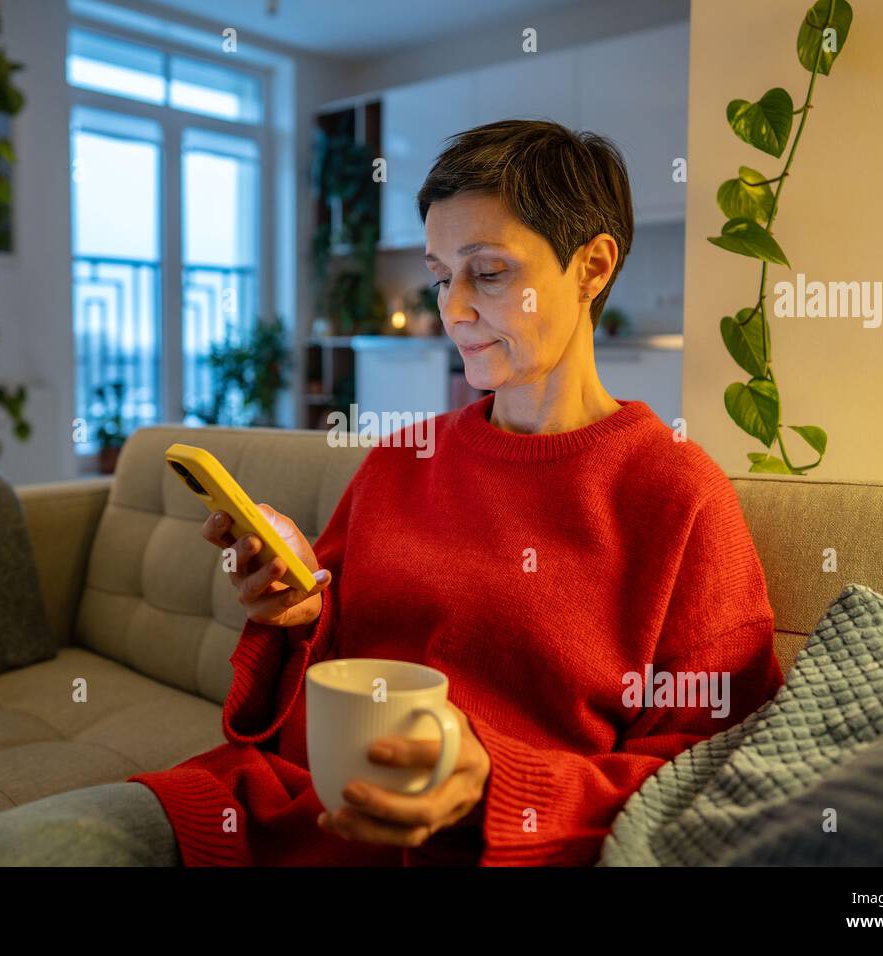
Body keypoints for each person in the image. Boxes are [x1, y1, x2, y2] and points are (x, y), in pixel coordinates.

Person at [124, 118, 785, 866]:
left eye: (490, 272)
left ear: (592, 266)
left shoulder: (679, 496)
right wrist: (299, 610)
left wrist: (495, 785)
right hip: (267, 809)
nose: (453, 310)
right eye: (441, 276)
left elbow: (707, 772)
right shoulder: (407, 455)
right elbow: (317, 666)